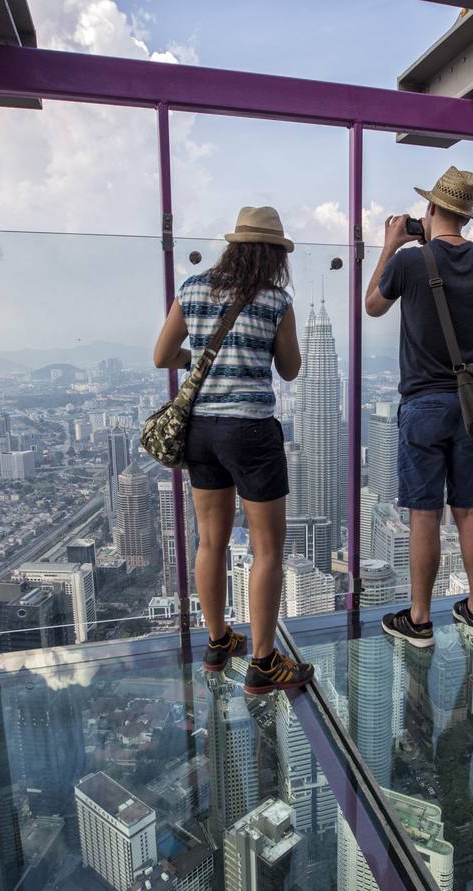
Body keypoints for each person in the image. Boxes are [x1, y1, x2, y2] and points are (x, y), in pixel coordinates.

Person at [153, 205, 315, 695]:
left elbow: (162, 355)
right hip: (250, 433)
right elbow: (290, 369)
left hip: (200, 428)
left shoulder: (194, 287)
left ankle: (219, 641)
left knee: (211, 540)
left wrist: (203, 356)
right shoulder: (275, 300)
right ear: (273, 256)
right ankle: (264, 663)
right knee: (267, 549)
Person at [363, 167, 473, 648]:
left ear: (429, 209)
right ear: (467, 215)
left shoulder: (407, 262)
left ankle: (420, 619)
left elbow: (373, 306)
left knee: (424, 514)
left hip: (423, 402)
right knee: (470, 508)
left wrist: (391, 244)